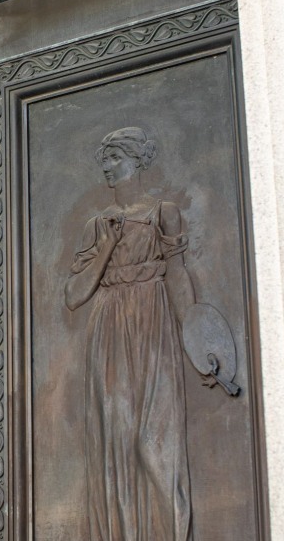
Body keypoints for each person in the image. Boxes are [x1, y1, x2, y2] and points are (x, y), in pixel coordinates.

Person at [64, 128, 195, 540]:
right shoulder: (96, 225)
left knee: (154, 441)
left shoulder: (163, 213)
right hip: (109, 330)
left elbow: (177, 274)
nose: (107, 165)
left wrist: (195, 336)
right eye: (104, 157)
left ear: (138, 160)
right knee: (116, 443)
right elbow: (73, 296)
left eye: (115, 155)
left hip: (152, 323)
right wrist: (107, 245)